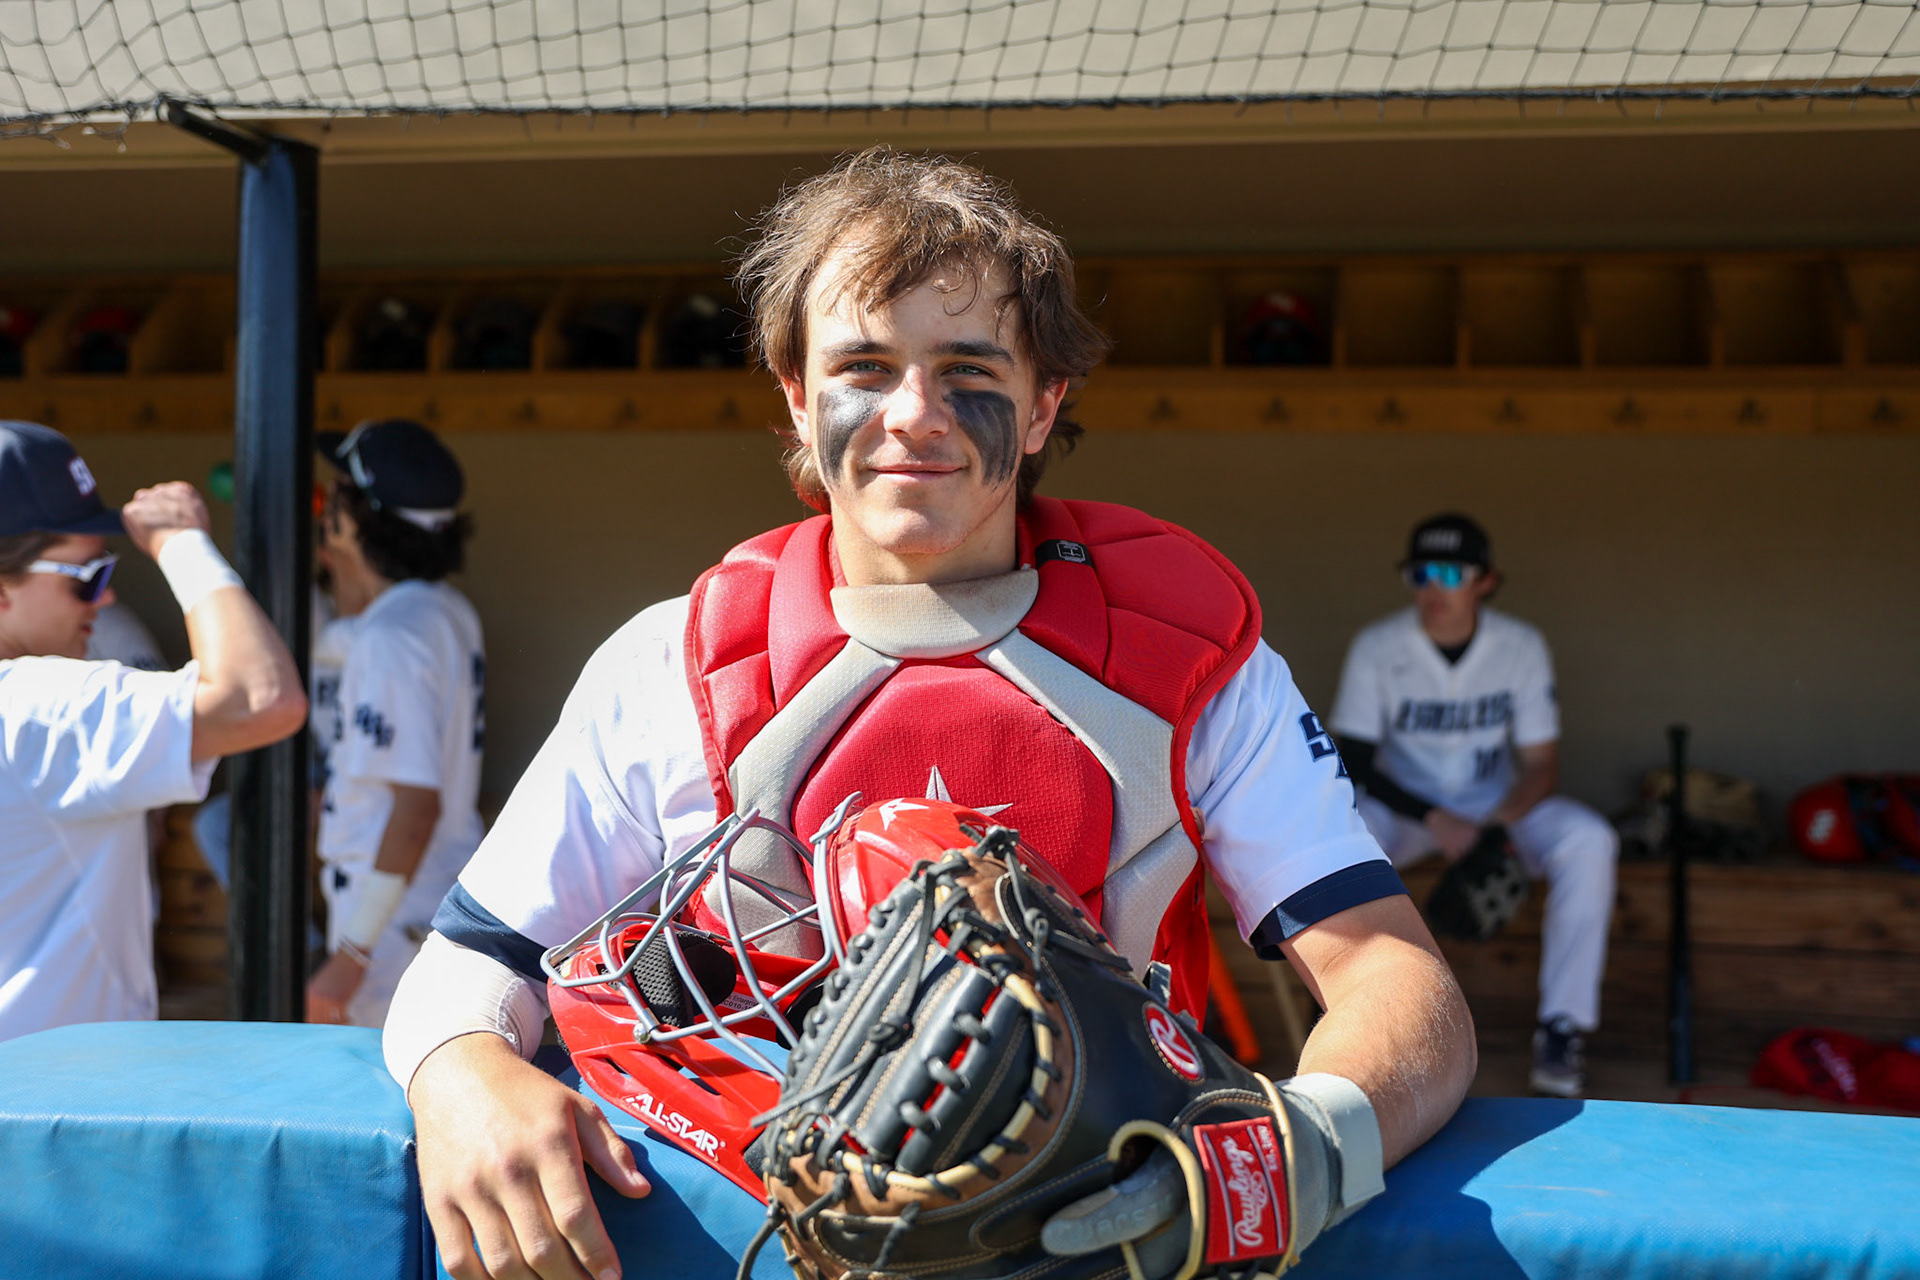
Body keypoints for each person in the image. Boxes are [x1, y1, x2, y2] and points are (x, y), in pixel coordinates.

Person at [383, 149, 1476, 1280]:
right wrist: (461, 1068)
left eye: (968, 369)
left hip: (1111, 1242)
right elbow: (465, 968)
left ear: (1045, 401)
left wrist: (1288, 1154)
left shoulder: (1188, 657)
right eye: (864, 365)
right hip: (759, 1241)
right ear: (798, 398)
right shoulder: (675, 661)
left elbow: (1402, 986)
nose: (914, 414)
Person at [0, 420, 305, 1042]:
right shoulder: (36, 703)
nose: (105, 601)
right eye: (88, 577)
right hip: (45, 1108)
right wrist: (180, 546)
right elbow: (260, 698)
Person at [1329, 512, 1619, 1098]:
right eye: (1420, 574)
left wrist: (1495, 829)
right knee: (1341, 833)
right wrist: (1437, 818)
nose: (1434, 587)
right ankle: (1345, 1018)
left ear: (1486, 580)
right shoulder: (1379, 647)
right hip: (1410, 813)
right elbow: (1351, 763)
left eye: (1450, 573)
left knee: (1589, 839)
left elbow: (1541, 764)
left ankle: (1561, 1029)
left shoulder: (1519, 646)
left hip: (1494, 807)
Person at [305, 419, 485, 1029]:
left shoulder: (395, 632)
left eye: (336, 501)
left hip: (389, 921)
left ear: (356, 521)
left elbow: (415, 807)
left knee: (385, 1105)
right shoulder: (441, 608)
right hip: (416, 902)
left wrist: (351, 954)